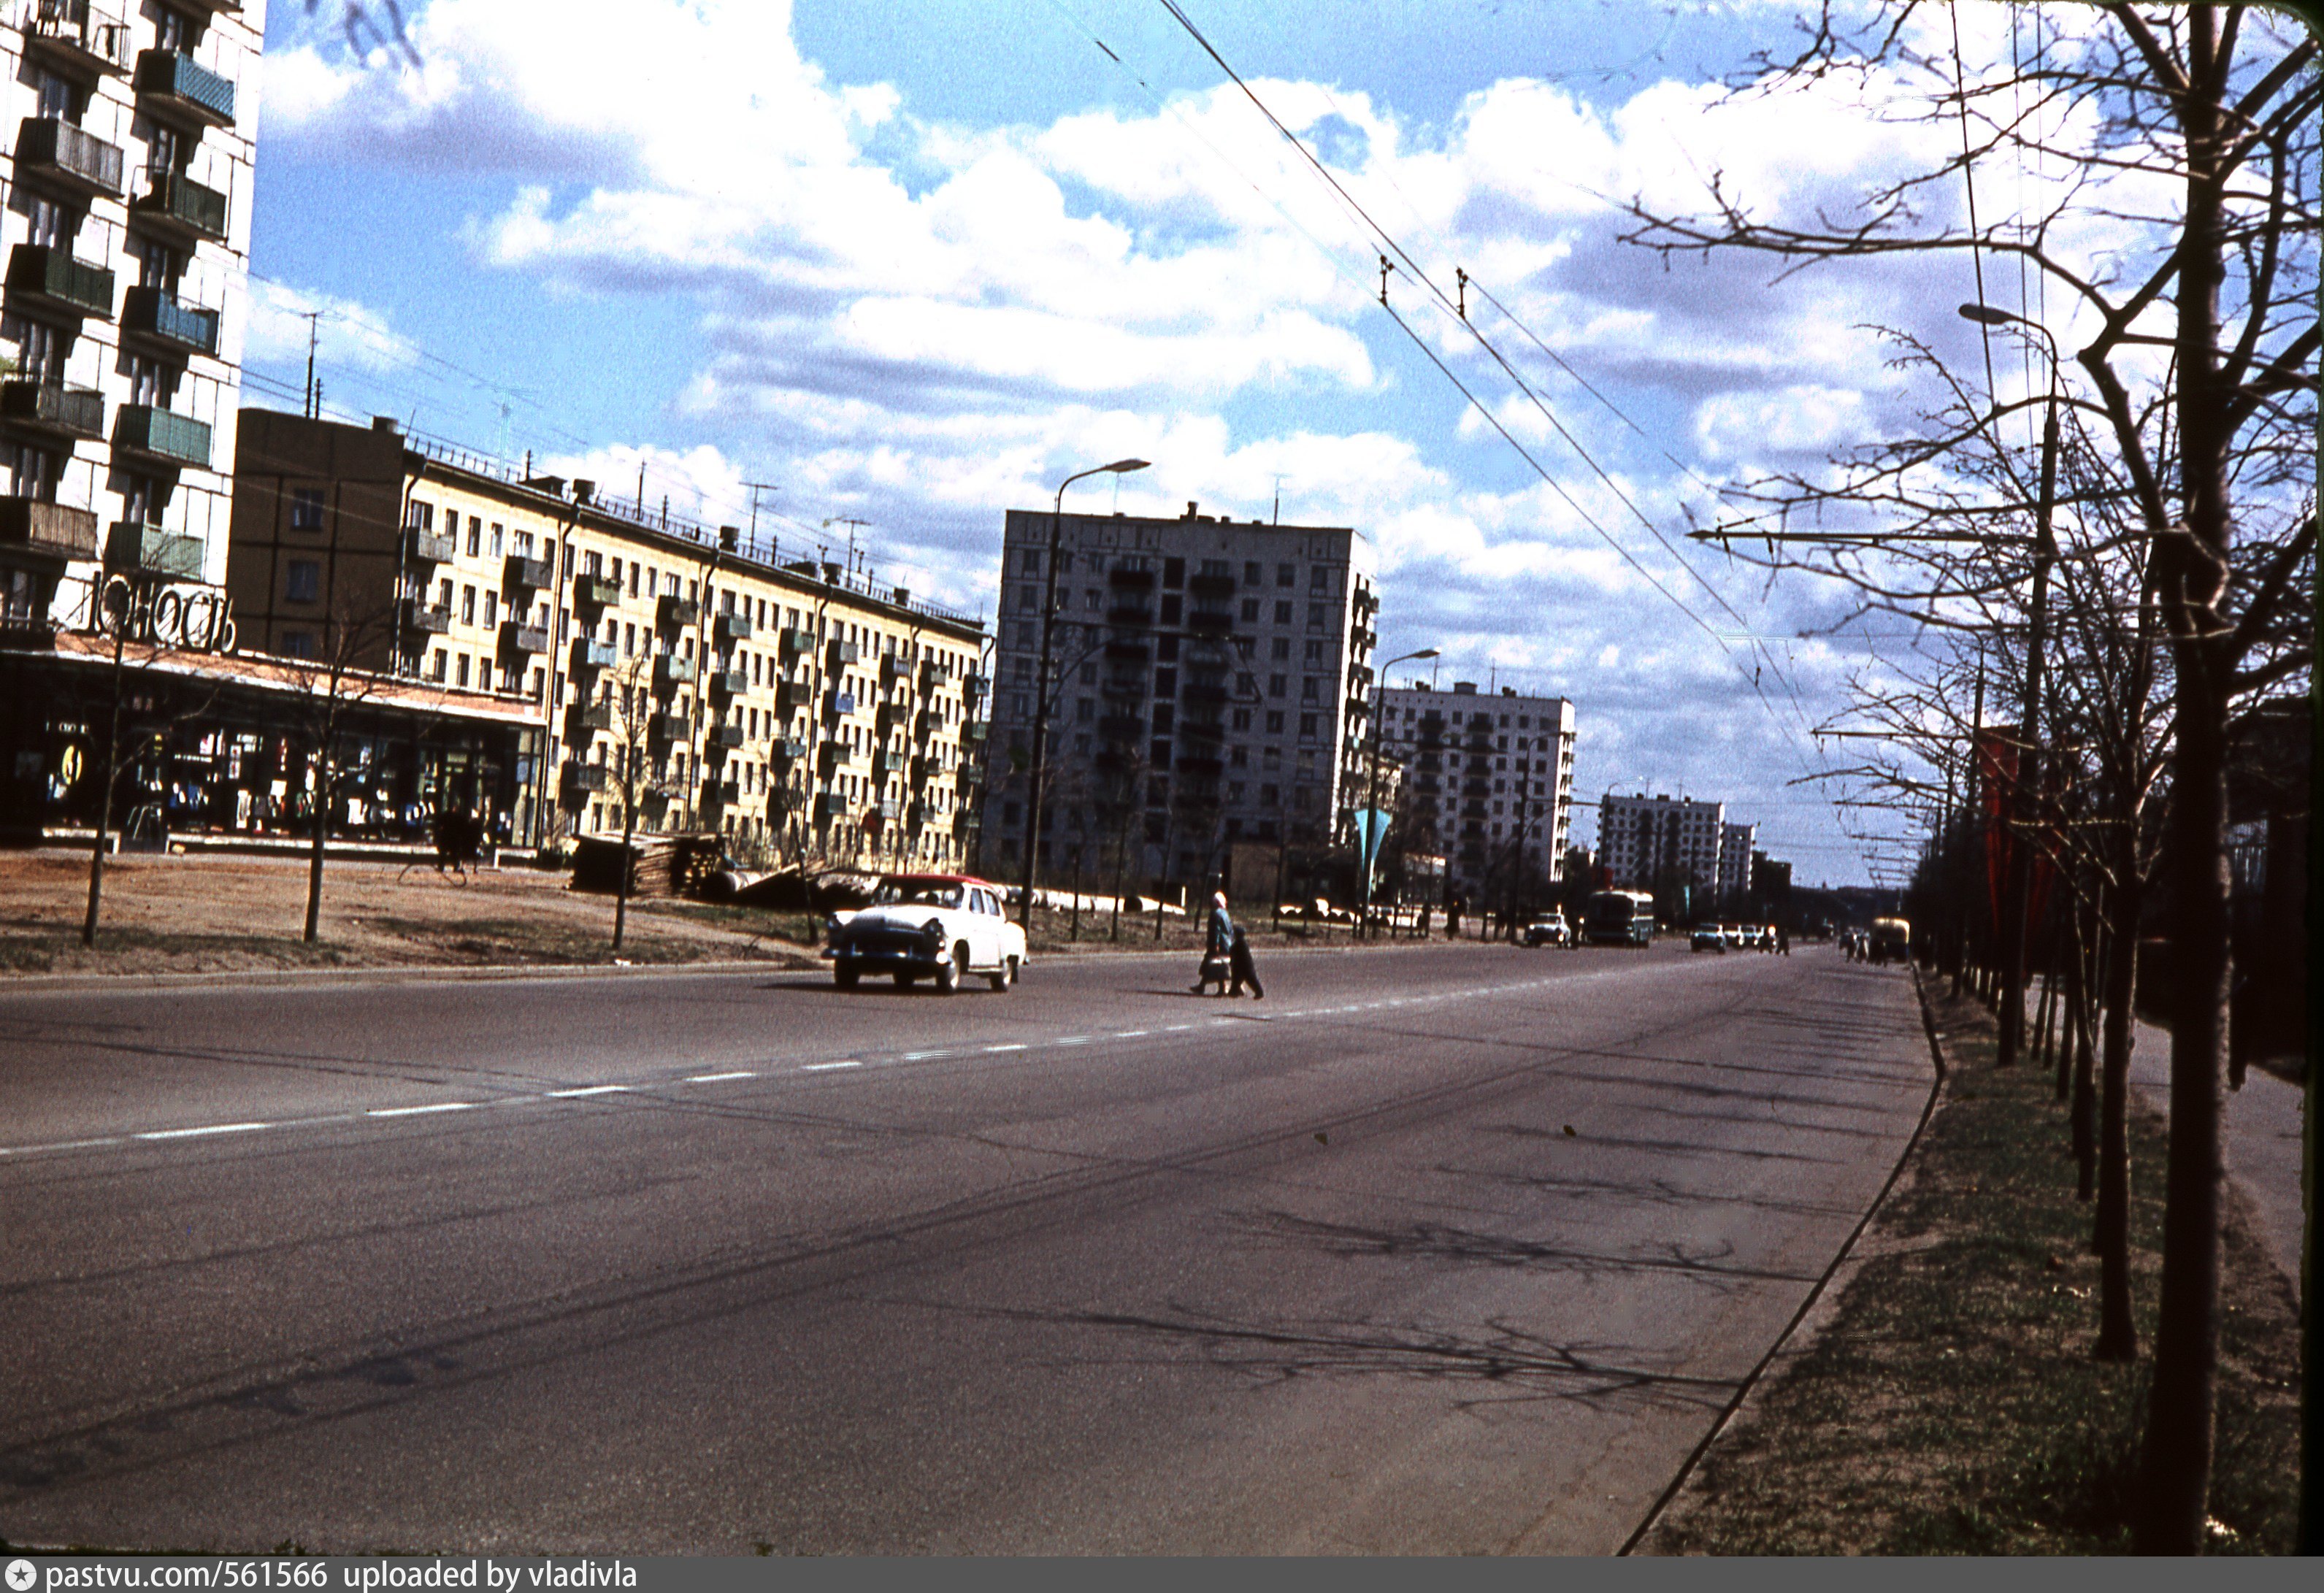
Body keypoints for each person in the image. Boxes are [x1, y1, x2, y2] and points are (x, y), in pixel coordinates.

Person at [1193, 891, 1233, 994]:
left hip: (1218, 943)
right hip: (1227, 943)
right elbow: (1230, 930)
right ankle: (1202, 986)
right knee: (1212, 965)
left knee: (1215, 965)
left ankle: (1221, 988)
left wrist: (1215, 945)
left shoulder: (1215, 914)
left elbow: (1216, 931)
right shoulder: (1225, 913)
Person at [1228, 924, 1264, 999]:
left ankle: (1259, 993)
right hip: (1242, 966)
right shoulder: (1241, 943)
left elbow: (1231, 951)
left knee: (1251, 980)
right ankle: (1234, 991)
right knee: (1237, 980)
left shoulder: (1239, 943)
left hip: (1244, 966)